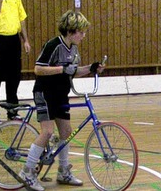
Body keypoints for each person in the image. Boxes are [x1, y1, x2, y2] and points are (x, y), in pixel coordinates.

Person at [20, 10, 104, 191]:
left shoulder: (73, 49)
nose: (83, 35)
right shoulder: (53, 45)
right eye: (81, 32)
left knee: (66, 131)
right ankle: (27, 172)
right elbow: (38, 69)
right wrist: (61, 69)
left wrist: (91, 68)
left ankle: (63, 171)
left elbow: (72, 71)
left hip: (60, 95)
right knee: (48, 132)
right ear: (70, 31)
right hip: (45, 93)